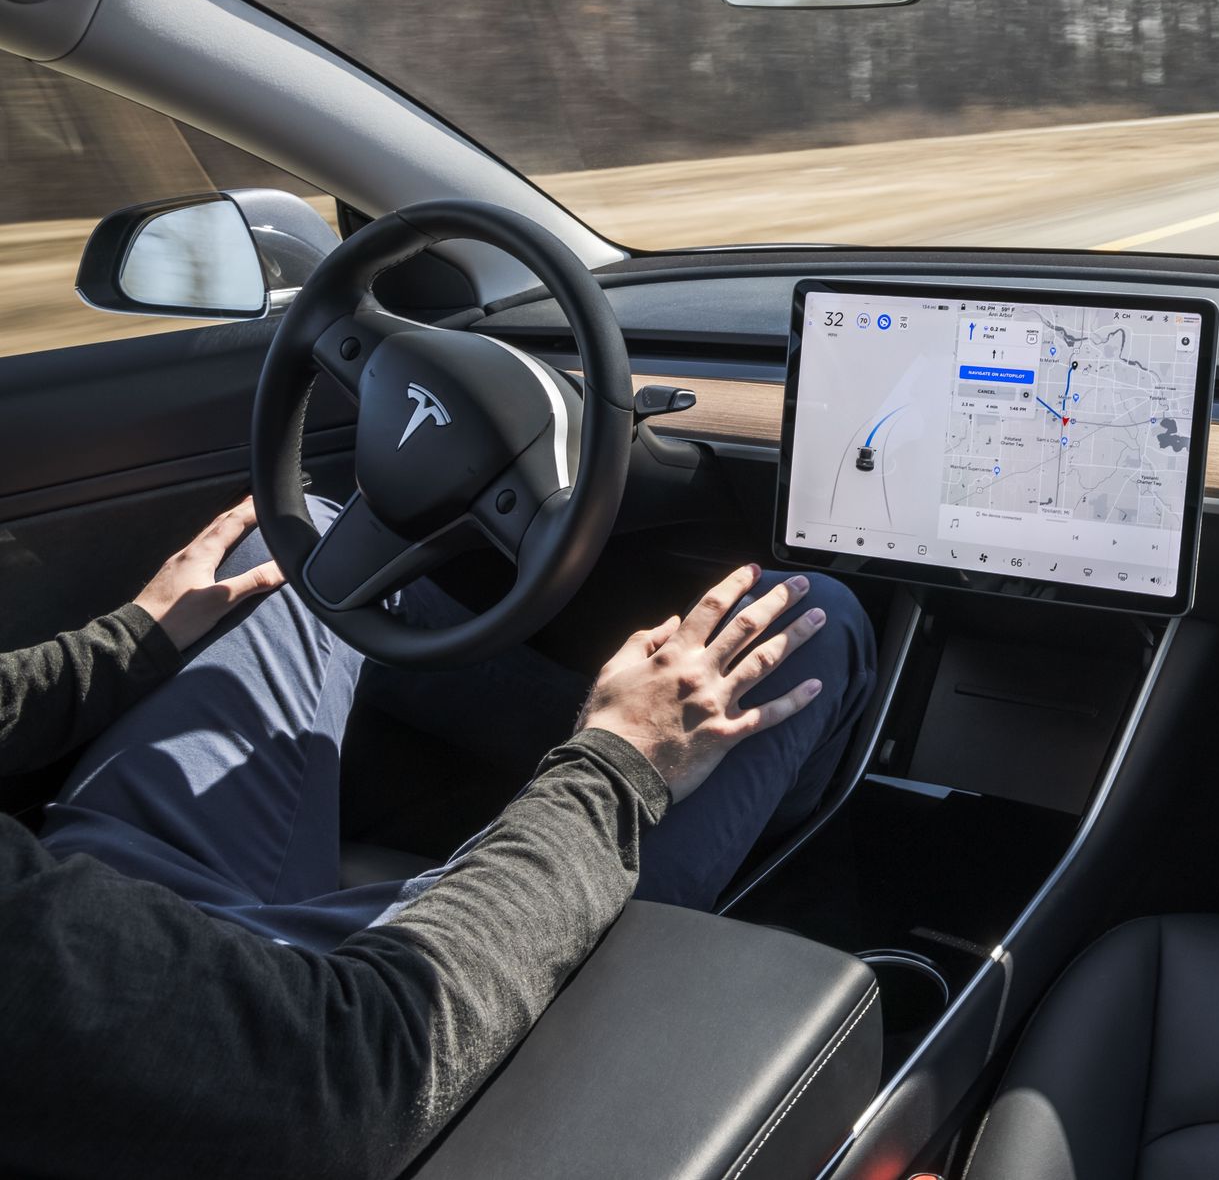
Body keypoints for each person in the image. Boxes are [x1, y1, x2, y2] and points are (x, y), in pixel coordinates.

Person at [0, 497, 876, 1179]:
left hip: (87, 898)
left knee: (303, 546)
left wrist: (121, 647)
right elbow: (350, 1074)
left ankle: (600, 776)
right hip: (316, 1046)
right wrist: (616, 763)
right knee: (813, 622)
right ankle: (640, 816)